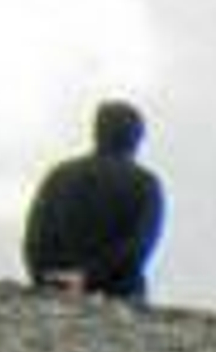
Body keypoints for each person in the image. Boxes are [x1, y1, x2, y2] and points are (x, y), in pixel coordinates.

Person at [23, 101, 165, 302]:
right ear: (135, 139)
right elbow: (139, 245)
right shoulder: (145, 184)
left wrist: (44, 275)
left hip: (52, 286)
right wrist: (89, 277)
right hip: (117, 293)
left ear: (96, 132)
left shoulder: (60, 175)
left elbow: (34, 236)